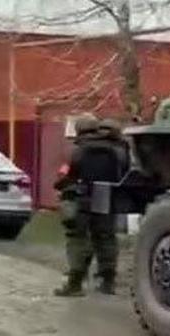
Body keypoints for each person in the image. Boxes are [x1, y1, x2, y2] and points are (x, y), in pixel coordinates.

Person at [53, 116, 129, 297]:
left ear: (79, 130)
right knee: (106, 237)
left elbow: (70, 174)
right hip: (106, 197)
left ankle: (75, 283)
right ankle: (107, 281)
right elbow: (124, 173)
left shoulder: (79, 149)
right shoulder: (118, 150)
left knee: (77, 238)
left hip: (82, 197)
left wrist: (59, 186)